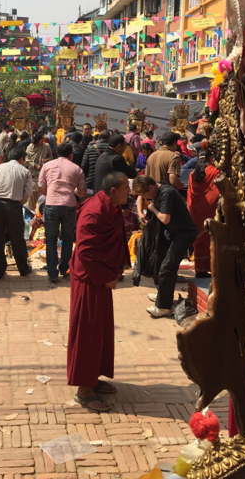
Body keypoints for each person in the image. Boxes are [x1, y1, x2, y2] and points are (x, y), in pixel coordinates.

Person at [67, 172, 130, 412]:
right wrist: (106, 278)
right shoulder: (94, 211)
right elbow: (85, 252)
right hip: (89, 279)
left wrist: (112, 274)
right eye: (125, 188)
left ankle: (92, 377)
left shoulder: (111, 207)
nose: (129, 192)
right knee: (88, 332)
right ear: (113, 190)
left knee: (100, 330)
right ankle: (84, 389)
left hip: (101, 278)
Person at [131, 176, 198, 317]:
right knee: (163, 264)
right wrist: (141, 212)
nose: (145, 198)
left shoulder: (166, 193)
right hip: (174, 233)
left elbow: (165, 218)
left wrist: (153, 208)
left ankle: (164, 307)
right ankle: (163, 296)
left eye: (145, 195)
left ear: (151, 187)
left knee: (166, 268)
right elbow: (139, 198)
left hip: (184, 234)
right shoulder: (156, 188)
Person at [38, 142, 87, 283]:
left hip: (51, 205)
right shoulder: (77, 169)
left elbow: (41, 187)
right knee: (67, 239)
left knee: (51, 239)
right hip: (69, 205)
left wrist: (52, 193)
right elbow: (82, 192)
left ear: (56, 153)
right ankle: (64, 268)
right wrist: (72, 191)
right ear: (71, 155)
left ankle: (52, 273)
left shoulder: (47, 166)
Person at [0, 147, 33, 279]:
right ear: (21, 159)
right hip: (14, 206)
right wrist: (19, 203)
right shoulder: (25, 171)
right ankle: (23, 268)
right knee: (17, 238)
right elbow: (27, 193)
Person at [187, 149, 220, 277]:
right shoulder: (214, 171)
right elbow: (218, 190)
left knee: (200, 241)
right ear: (210, 158)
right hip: (210, 209)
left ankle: (200, 270)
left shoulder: (192, 173)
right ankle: (212, 268)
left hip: (196, 210)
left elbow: (190, 193)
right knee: (211, 238)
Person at [25, 132, 53, 209]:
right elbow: (27, 160)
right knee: (32, 195)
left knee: (42, 196)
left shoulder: (46, 146)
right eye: (41, 139)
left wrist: (47, 160)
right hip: (33, 175)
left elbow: (51, 157)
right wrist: (35, 165)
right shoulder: (30, 147)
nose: (43, 140)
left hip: (44, 175)